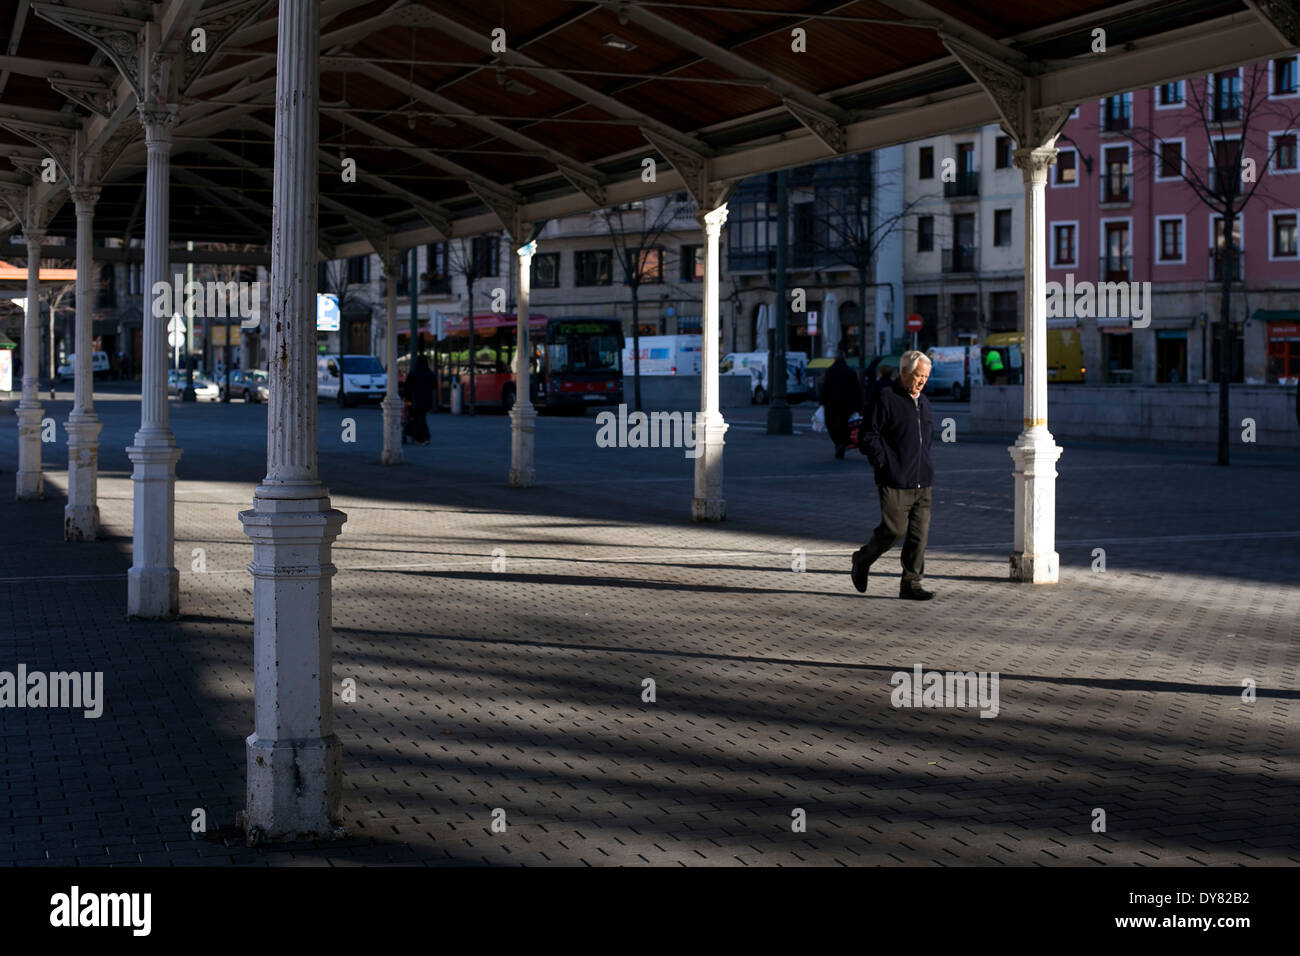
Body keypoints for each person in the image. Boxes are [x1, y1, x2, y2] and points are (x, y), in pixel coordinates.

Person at [852, 350, 936, 600]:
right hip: (894, 479)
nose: (922, 381)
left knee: (918, 536)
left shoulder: (925, 402)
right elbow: (868, 436)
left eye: (926, 377)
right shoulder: (885, 398)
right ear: (903, 373)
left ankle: (911, 583)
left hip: (923, 481)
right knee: (894, 530)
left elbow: (926, 440)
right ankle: (863, 558)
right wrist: (884, 464)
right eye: (918, 376)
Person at [820, 353, 862, 459]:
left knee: (830, 424)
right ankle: (842, 443)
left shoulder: (830, 371)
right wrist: (858, 406)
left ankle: (838, 443)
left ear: (835, 360)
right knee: (844, 425)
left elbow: (825, 387)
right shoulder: (851, 372)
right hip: (848, 404)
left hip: (832, 404)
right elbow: (856, 390)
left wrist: (822, 401)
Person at [404, 354, 434, 446]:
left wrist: (407, 399)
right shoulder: (430, 374)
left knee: (417, 418)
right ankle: (419, 436)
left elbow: (407, 386)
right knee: (421, 418)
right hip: (427, 401)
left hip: (415, 401)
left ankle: (421, 436)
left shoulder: (414, 373)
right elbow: (434, 386)